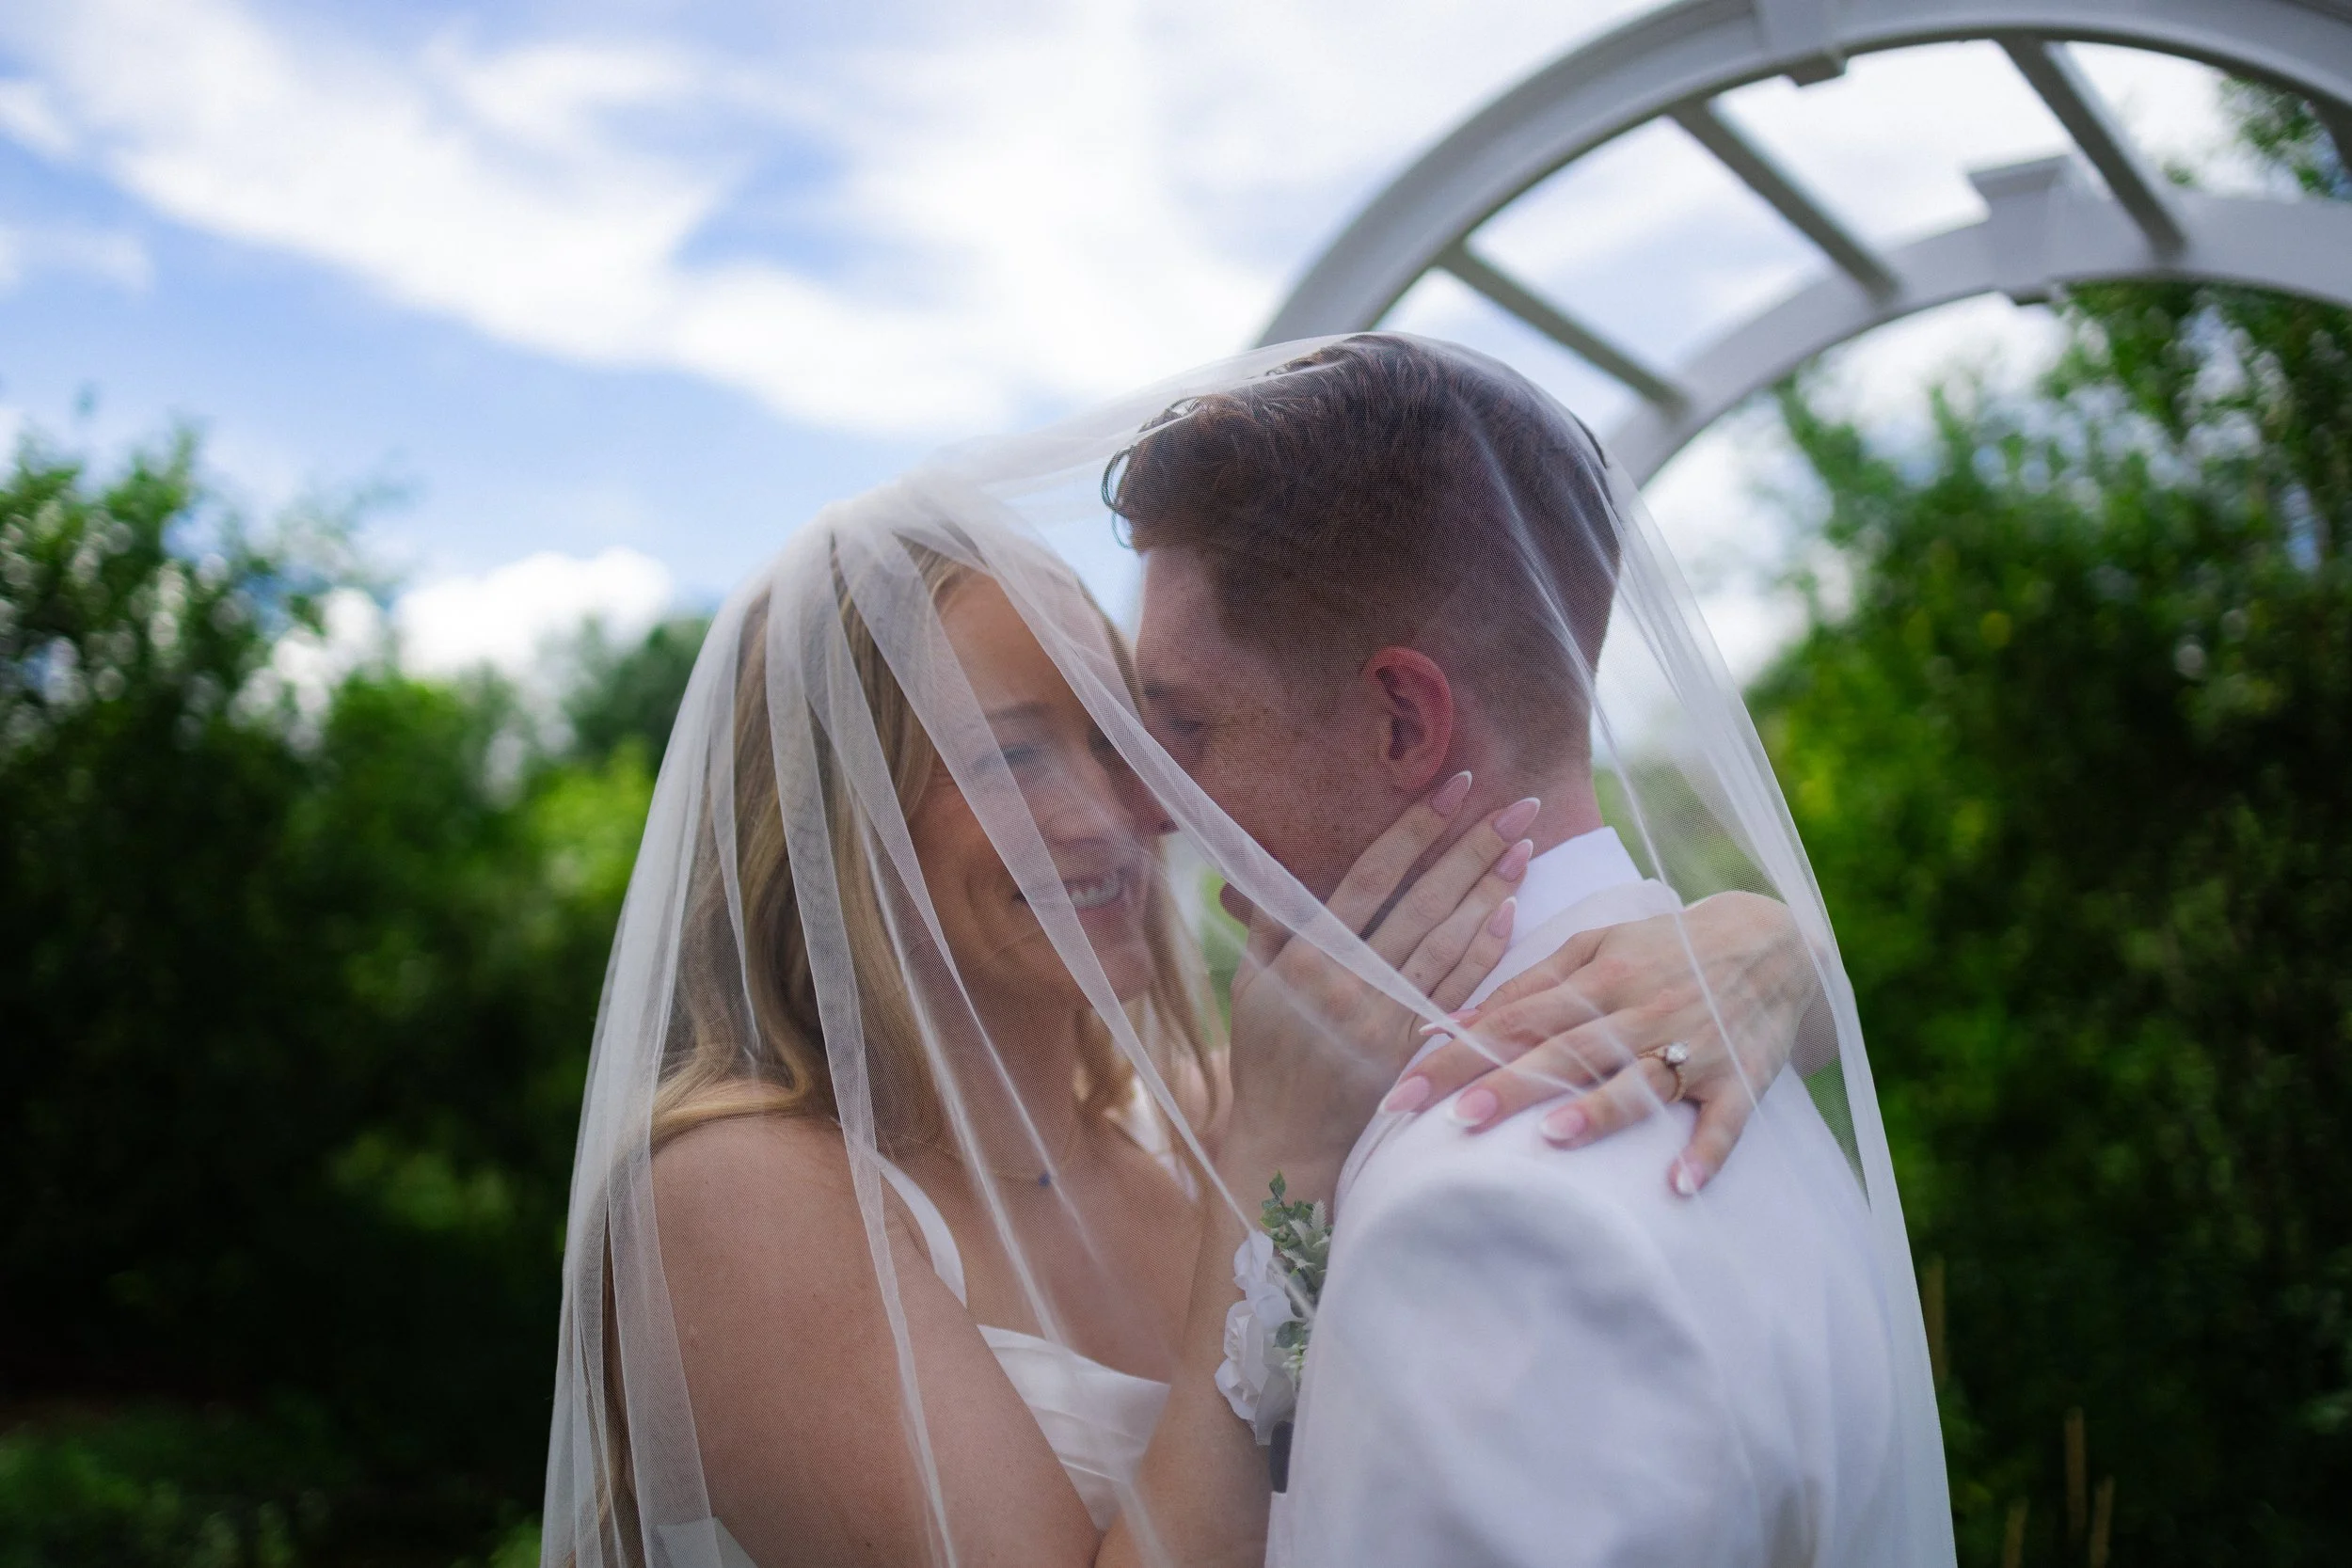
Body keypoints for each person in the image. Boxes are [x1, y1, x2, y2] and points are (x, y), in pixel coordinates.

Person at [538, 336, 1932, 1568]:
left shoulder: (1190, 1114)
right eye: (1013, 756)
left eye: (1125, 733)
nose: (1130, 810)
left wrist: (1768, 952)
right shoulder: (729, 1197)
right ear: (836, 823)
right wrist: (1265, 1171)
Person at [1107, 333, 1952, 1566]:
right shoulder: (1730, 1045)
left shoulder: (1485, 1210)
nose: (1161, 803)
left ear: (1404, 724)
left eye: (1186, 721)